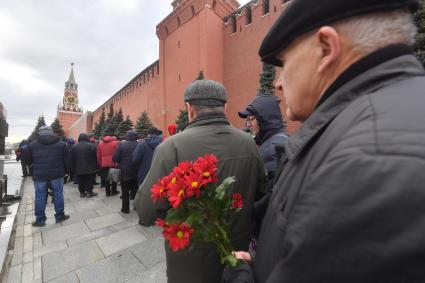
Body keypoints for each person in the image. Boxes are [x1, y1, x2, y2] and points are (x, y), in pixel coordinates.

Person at [223, 0, 425, 282]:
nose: (278, 83)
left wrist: (239, 273)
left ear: (326, 49)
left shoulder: (368, 162)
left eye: (284, 63)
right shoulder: (368, 124)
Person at [134, 80, 267, 283]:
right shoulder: (248, 143)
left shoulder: (171, 148)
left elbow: (146, 211)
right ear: (225, 107)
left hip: (189, 266)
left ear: (189, 109)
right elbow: (262, 193)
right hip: (237, 263)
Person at [238, 95, 288, 239]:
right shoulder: (278, 140)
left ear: (265, 119)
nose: (248, 124)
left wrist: (248, 213)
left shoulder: (272, 148)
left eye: (252, 118)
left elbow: (272, 196)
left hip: (267, 231)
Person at [24, 126, 71, 227]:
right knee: (58, 194)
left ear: (39, 133)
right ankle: (60, 216)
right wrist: (67, 172)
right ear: (52, 132)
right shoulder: (62, 144)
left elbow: (27, 161)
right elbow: (67, 160)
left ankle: (40, 220)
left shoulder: (32, 145)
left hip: (40, 175)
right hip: (57, 174)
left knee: (40, 197)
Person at [112, 130, 139, 214]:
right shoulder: (140, 144)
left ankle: (125, 209)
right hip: (137, 171)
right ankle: (137, 206)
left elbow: (115, 158)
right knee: (137, 189)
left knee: (125, 191)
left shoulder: (122, 145)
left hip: (125, 172)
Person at [70, 133, 98, 198]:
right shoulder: (92, 145)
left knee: (80, 181)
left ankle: (82, 193)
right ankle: (89, 192)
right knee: (89, 180)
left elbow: (71, 158)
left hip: (78, 167)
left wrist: (73, 167)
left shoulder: (74, 147)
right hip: (90, 167)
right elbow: (95, 156)